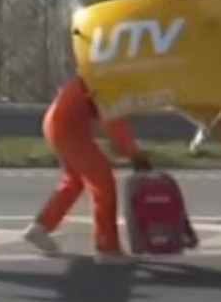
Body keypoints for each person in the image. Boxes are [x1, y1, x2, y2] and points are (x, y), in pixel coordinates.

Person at [22, 74, 152, 263]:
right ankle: (107, 248)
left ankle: (40, 228)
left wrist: (129, 151)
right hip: (69, 128)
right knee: (103, 183)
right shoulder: (112, 82)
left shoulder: (101, 71)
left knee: (73, 181)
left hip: (56, 123)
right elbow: (114, 124)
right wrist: (135, 155)